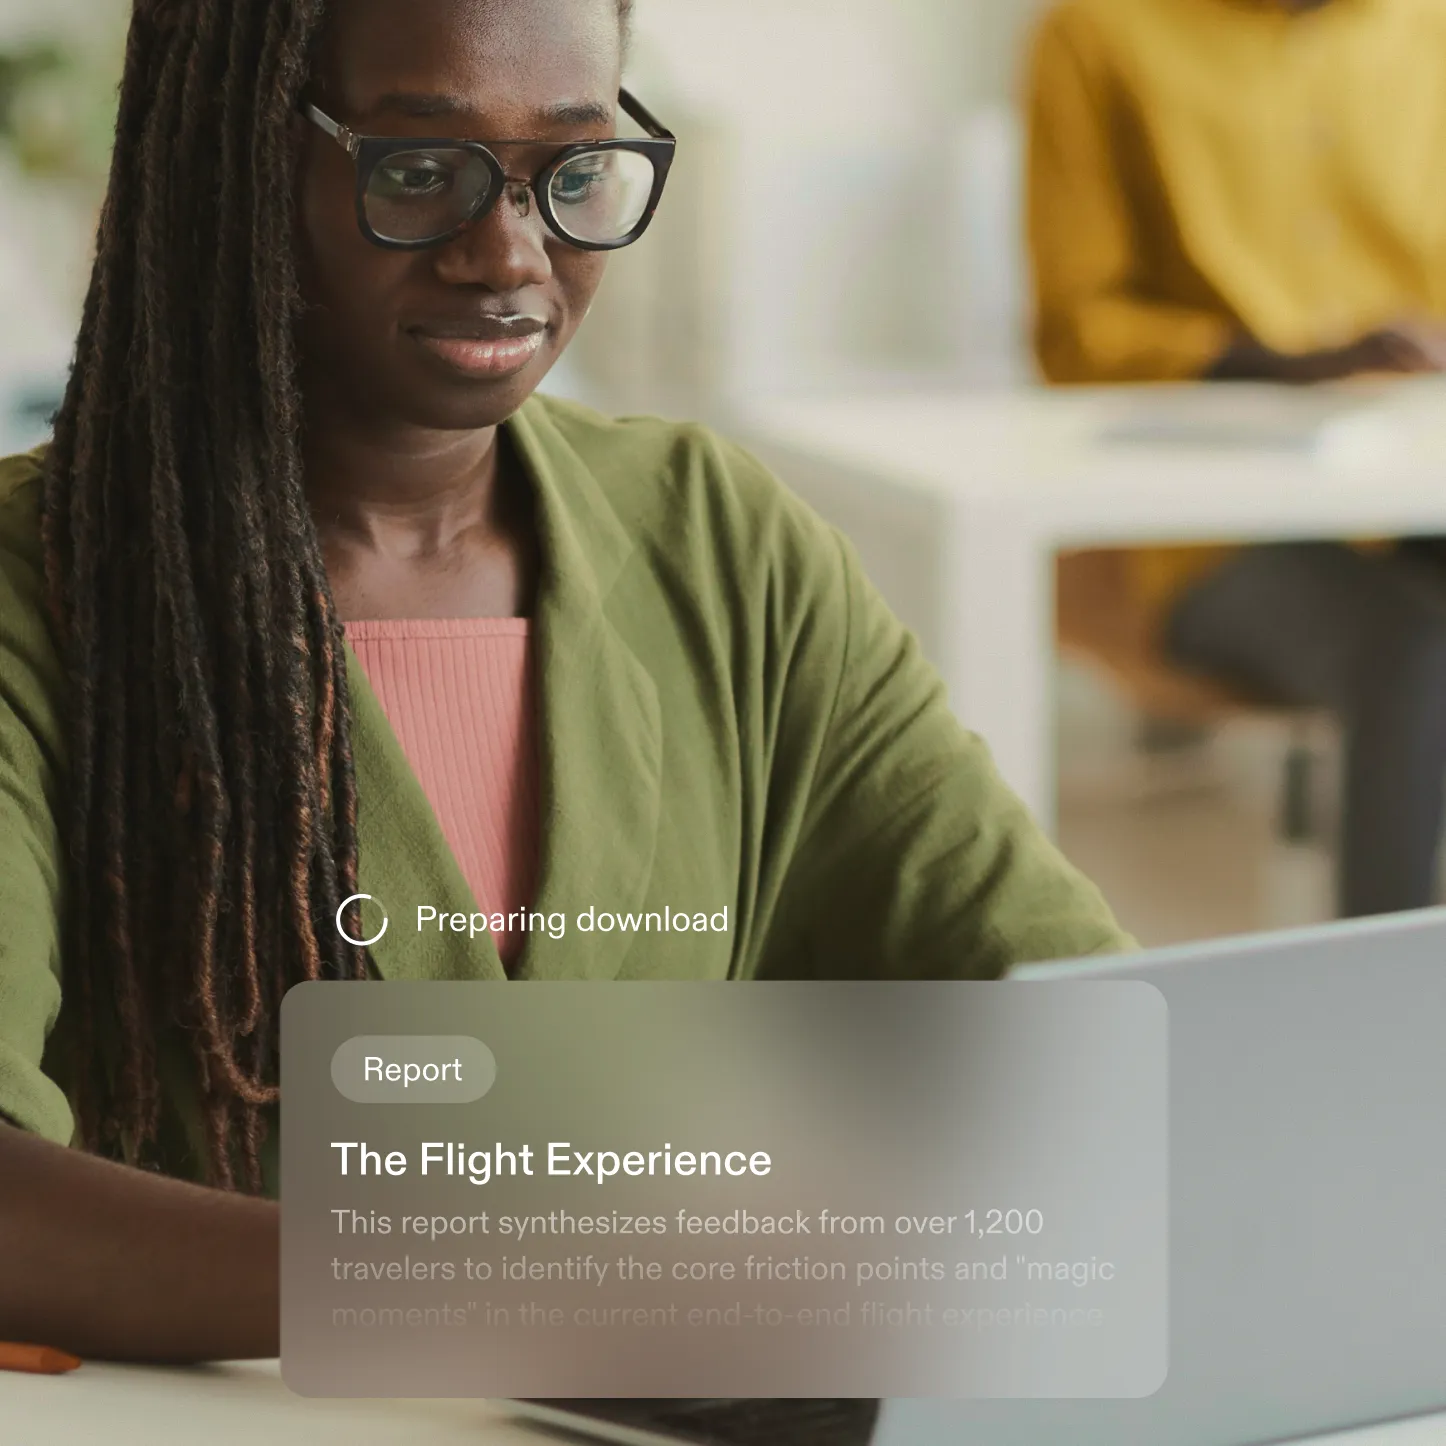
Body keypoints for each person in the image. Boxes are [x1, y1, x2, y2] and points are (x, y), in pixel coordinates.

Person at [0, 0, 1130, 1364]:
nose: (510, 253)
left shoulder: (715, 541)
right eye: (416, 172)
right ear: (234, 158)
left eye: (573, 174)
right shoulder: (37, 588)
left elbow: (1070, 1022)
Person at [1027, 0, 1446, 919]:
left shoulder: (1427, 35)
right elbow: (1079, 331)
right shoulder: (1100, 34)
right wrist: (1302, 363)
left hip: (1415, 489)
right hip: (1201, 536)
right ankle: (1386, 1011)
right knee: (1419, 652)